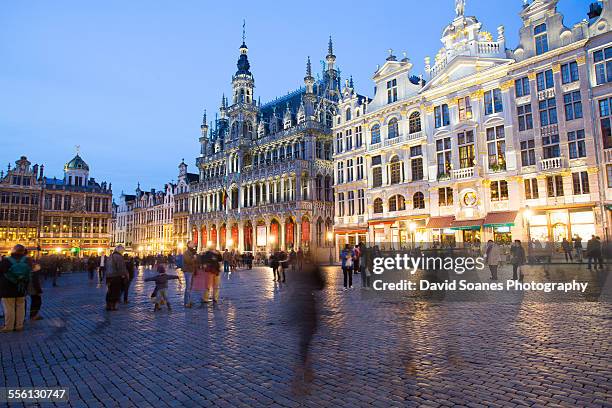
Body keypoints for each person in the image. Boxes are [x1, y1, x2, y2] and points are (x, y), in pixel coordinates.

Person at [0, 245, 32, 332]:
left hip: (7, 288)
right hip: (21, 287)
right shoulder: (28, 260)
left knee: (9, 308)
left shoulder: (6, 260)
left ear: (13, 250)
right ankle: (19, 326)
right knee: (21, 307)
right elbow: (30, 273)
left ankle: (9, 327)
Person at [104, 246, 128, 311]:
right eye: (122, 251)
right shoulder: (119, 257)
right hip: (116, 276)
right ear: (120, 251)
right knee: (116, 291)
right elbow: (121, 267)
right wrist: (124, 276)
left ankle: (108, 305)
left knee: (110, 291)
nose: (123, 253)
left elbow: (106, 266)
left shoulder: (110, 256)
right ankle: (113, 306)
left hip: (108, 277)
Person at [182, 241, 197, 308]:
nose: (193, 244)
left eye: (193, 244)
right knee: (188, 287)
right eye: (192, 244)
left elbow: (197, 260)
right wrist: (194, 258)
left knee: (191, 287)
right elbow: (188, 261)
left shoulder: (193, 252)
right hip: (188, 271)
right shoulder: (186, 252)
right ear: (188, 245)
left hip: (192, 270)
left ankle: (190, 301)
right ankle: (186, 302)